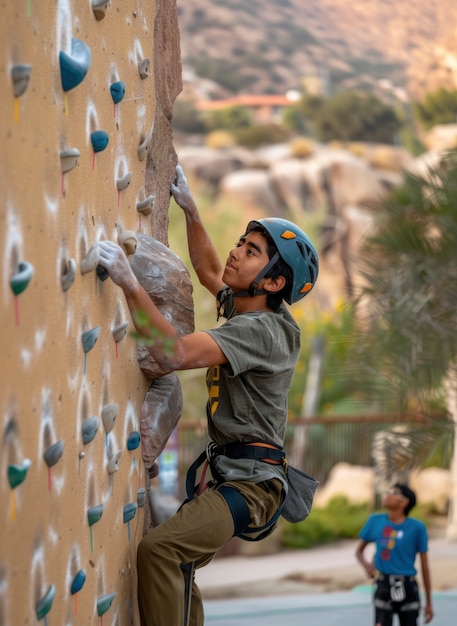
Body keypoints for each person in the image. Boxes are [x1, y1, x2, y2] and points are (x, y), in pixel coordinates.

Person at [94, 164, 319, 626]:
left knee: (161, 551)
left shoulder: (262, 331)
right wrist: (192, 211)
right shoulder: (247, 306)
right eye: (242, 242)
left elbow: (174, 353)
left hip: (252, 486)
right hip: (232, 476)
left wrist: (128, 283)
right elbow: (209, 270)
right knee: (182, 565)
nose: (237, 253)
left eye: (252, 252)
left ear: (274, 283)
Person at [355, 483, 434, 626]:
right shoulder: (375, 521)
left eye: (394, 492)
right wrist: (367, 566)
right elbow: (359, 552)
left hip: (408, 587)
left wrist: (429, 602)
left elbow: (425, 567)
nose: (387, 495)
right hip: (383, 586)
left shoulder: (417, 528)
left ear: (404, 502)